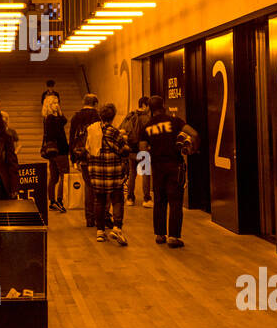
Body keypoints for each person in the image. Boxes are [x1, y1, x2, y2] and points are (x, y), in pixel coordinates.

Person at [139, 95, 198, 248]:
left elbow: (143, 150)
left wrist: (146, 170)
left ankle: (159, 235)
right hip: (174, 165)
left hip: (157, 167)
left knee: (159, 200)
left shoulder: (147, 127)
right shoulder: (175, 121)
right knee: (175, 202)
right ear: (163, 105)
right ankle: (173, 237)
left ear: (150, 109)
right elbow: (194, 134)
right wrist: (193, 150)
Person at [85, 103, 130, 245]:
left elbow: (88, 149)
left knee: (99, 201)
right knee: (117, 199)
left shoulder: (92, 131)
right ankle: (117, 227)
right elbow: (123, 150)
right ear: (113, 116)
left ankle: (100, 231)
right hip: (113, 172)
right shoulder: (114, 132)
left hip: (97, 172)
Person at [69, 94, 101, 226]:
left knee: (88, 185)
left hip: (81, 155)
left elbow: (72, 137)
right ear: (95, 103)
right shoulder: (98, 116)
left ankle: (89, 218)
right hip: (96, 155)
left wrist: (73, 158)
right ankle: (100, 215)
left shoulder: (76, 117)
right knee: (98, 186)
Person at [121, 96, 152, 207]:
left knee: (132, 174)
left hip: (131, 149)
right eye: (148, 106)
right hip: (143, 149)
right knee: (145, 174)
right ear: (144, 105)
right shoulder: (146, 118)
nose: (149, 108)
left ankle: (130, 198)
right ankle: (146, 199)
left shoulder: (130, 115)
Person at [41, 96, 70, 213]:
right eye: (54, 103)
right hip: (60, 150)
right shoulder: (51, 119)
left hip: (53, 152)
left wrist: (59, 112)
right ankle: (59, 200)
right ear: (49, 105)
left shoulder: (51, 118)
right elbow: (56, 134)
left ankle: (52, 201)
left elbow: (65, 120)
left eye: (58, 102)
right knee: (64, 175)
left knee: (53, 177)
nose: (57, 105)